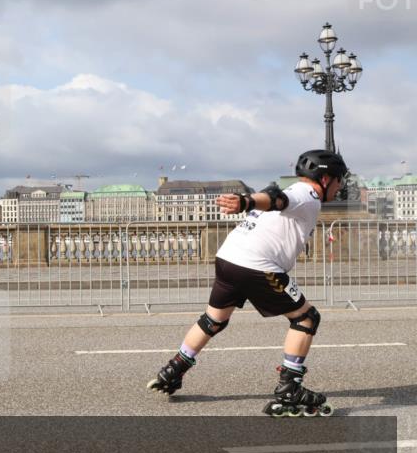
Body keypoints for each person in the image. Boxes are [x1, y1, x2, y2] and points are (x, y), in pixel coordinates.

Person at [146, 150, 347, 417]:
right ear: (324, 179)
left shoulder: (295, 192)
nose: (341, 186)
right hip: (257, 266)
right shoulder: (306, 194)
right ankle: (290, 387)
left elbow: (275, 196)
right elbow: (277, 199)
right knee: (306, 318)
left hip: (228, 258)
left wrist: (250, 201)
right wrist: (245, 201)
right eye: (339, 180)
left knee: (213, 320)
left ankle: (174, 369)